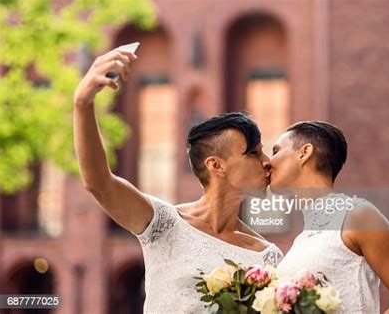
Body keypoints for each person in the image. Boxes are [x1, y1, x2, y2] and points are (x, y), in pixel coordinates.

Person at [73, 48, 283, 313]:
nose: (267, 161)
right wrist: (83, 104)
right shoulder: (164, 223)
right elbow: (99, 183)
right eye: (254, 152)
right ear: (216, 165)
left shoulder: (268, 256)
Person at [271, 121, 389, 313]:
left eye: (275, 151)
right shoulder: (300, 241)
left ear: (304, 152)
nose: (268, 162)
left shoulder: (359, 216)